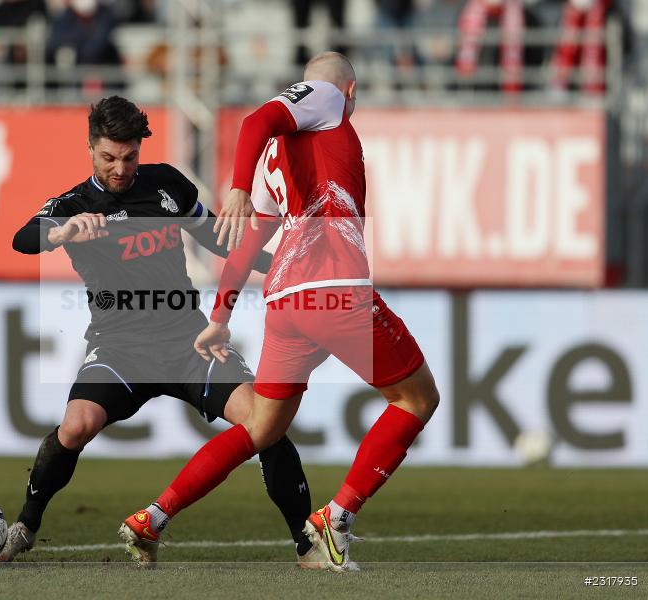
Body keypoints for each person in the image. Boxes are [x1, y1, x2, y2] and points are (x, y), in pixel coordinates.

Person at [120, 53, 440, 572]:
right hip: (333, 288)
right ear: (351, 90)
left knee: (260, 428)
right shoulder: (327, 97)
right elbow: (255, 118)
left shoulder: (277, 156)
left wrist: (220, 316)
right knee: (416, 397)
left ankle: (153, 517)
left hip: (285, 301)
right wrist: (238, 186)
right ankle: (335, 520)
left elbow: (246, 247)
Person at [0, 96, 320, 567]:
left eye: (129, 157)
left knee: (265, 425)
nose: (121, 168)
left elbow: (215, 237)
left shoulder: (167, 184)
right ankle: (25, 527)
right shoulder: (73, 205)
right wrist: (59, 234)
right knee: (76, 426)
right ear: (90, 149)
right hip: (119, 349)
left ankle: (306, 544)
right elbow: (21, 238)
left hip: (188, 342)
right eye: (109, 158)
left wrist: (280, 267)